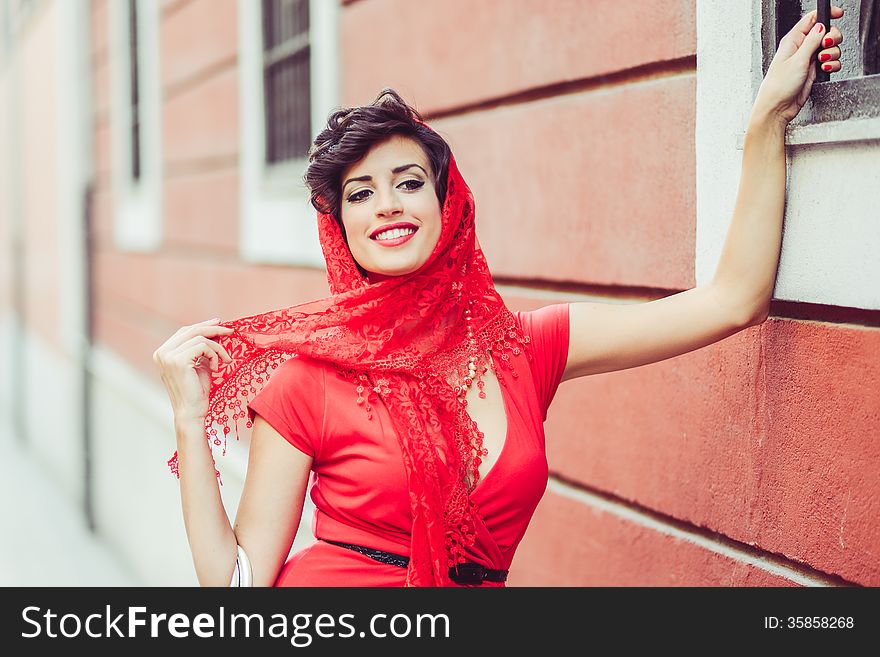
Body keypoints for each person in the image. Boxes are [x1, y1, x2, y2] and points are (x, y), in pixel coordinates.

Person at [152, 7, 845, 587]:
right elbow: (236, 583)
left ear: (448, 202)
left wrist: (764, 125)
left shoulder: (527, 348)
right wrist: (188, 416)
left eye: (408, 181)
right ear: (341, 230)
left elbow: (730, 301)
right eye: (360, 194)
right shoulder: (308, 377)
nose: (387, 204)